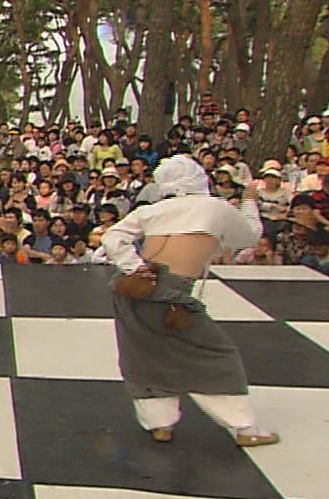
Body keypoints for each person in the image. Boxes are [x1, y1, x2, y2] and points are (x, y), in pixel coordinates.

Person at [100, 155, 277, 447]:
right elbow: (249, 236)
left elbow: (112, 237)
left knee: (145, 356)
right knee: (216, 355)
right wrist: (249, 201)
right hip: (169, 291)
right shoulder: (214, 207)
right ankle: (245, 428)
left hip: (129, 288)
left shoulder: (153, 209)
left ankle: (160, 424)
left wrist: (134, 266)